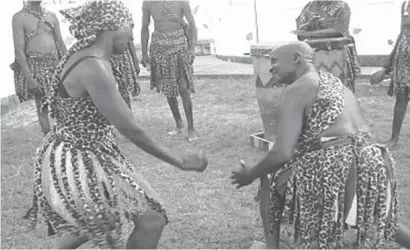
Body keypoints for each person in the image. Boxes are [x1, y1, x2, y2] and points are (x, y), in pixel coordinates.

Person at [23, 1, 207, 249]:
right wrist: (179, 161)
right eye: (130, 25)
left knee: (116, 221)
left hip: (89, 151)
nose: (133, 34)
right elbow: (130, 129)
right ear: (113, 26)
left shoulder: (87, 54)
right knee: (135, 219)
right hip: (80, 155)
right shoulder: (93, 66)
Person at [231, 41, 410, 249]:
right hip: (370, 164)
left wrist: (250, 173)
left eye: (275, 62)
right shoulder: (335, 83)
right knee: (381, 217)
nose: (271, 68)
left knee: (269, 177)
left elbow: (282, 153)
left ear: (297, 59)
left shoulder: (298, 88)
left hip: (332, 165)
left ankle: (272, 247)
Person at [141, 0, 199, 142]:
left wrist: (192, 49)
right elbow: (144, 28)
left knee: (183, 88)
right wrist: (144, 53)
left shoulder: (181, 2)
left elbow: (192, 25)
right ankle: (179, 123)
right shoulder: (148, 3)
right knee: (168, 87)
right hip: (159, 46)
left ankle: (191, 128)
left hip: (179, 45)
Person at [11, 0, 66, 135]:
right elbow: (19, 51)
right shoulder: (19, 17)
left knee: (63, 106)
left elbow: (60, 43)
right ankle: (50, 142)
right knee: (43, 108)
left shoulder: (51, 15)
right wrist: (30, 79)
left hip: (56, 66)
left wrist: (68, 67)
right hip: (37, 68)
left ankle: (66, 140)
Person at [293, 0, 360, 93]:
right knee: (315, 90)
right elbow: (300, 34)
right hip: (313, 55)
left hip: (336, 53)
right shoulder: (309, 7)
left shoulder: (342, 6)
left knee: (338, 90)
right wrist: (307, 25)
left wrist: (310, 33)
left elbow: (339, 31)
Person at [371, 0, 410, 149]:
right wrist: (386, 67)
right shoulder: (405, 4)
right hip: (404, 55)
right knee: (401, 99)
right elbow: (401, 34)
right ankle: (394, 138)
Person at [110, 35, 141, 109]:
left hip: (123, 59)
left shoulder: (124, 25)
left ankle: (127, 115)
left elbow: (130, 42)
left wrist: (135, 62)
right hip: (109, 57)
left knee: (125, 93)